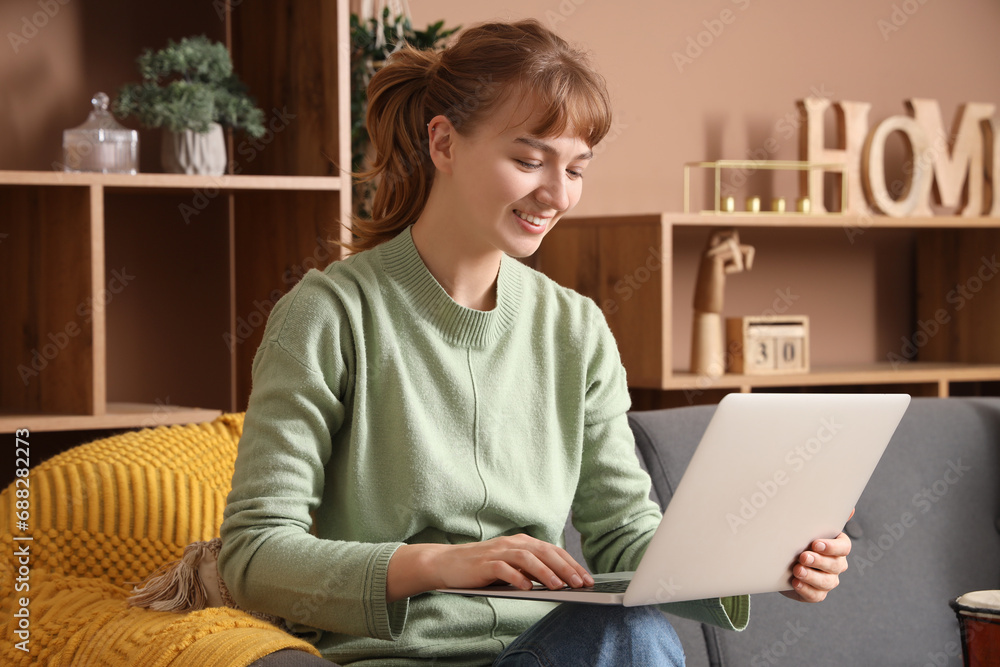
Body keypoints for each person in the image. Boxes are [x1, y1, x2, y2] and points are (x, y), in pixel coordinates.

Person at [218, 17, 851, 666]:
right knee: (629, 638)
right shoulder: (330, 315)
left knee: (630, 631)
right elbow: (253, 554)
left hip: (555, 650)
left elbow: (625, 537)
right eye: (528, 160)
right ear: (444, 143)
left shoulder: (575, 329)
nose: (556, 194)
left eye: (576, 168)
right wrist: (440, 564)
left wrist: (762, 562)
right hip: (404, 657)